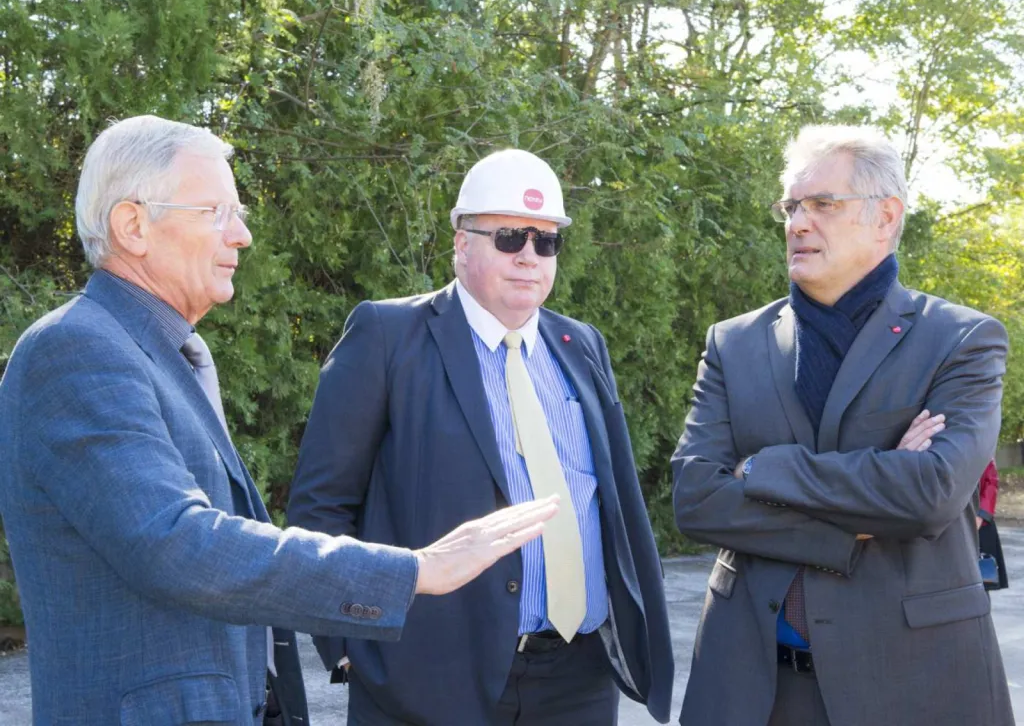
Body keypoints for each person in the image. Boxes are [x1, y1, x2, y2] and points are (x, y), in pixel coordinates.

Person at [0, 116, 558, 726]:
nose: (240, 235)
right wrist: (416, 569)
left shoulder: (168, 353)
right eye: (215, 211)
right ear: (133, 225)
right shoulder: (75, 350)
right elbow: (176, 545)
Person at [288, 148, 674, 725]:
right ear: (461, 242)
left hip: (579, 678)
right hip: (427, 680)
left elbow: (612, 503)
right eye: (510, 237)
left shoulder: (581, 346)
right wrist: (345, 647)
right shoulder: (389, 337)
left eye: (546, 242)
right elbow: (322, 502)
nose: (529, 257)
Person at [672, 124, 1014, 726]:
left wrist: (763, 468)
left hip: (912, 682)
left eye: (823, 204)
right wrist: (855, 518)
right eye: (792, 206)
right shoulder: (734, 342)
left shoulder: (960, 339)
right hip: (752, 686)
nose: (798, 223)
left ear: (885, 216)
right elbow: (696, 499)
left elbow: (929, 494)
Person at [978, 459, 1009, 590]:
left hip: (980, 522)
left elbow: (991, 482)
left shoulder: (980, 444)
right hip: (948, 523)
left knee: (982, 582)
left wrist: (981, 516)